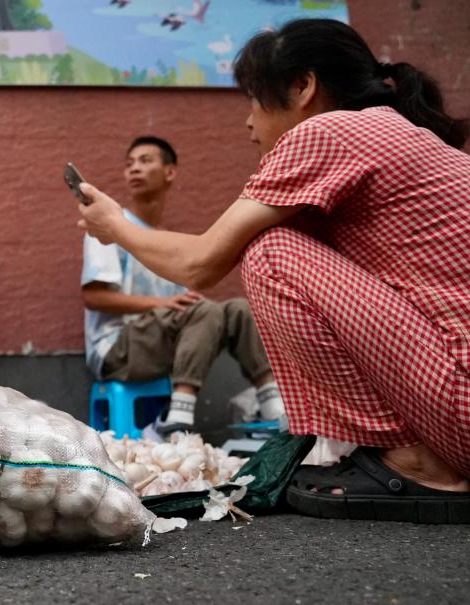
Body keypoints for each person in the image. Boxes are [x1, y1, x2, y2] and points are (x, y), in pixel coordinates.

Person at [76, 19, 470, 522]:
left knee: (270, 252)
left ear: (303, 87)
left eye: (254, 101)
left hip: (459, 405)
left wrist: (114, 225)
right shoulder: (400, 134)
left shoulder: (330, 131)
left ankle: (418, 462)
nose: (248, 124)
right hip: (454, 388)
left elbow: (201, 262)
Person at [81, 136, 284, 435]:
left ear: (170, 172)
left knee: (238, 310)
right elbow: (94, 297)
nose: (134, 169)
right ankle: (179, 416)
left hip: (164, 345)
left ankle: (272, 403)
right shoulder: (108, 227)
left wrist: (180, 306)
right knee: (205, 310)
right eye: (129, 164)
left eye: (145, 161)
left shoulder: (164, 241)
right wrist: (162, 304)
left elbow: (186, 312)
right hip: (115, 350)